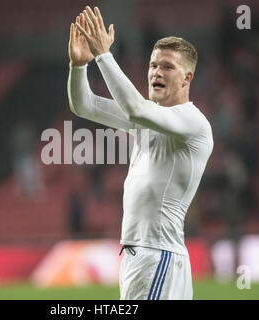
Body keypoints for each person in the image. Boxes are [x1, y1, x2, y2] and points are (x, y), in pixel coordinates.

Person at [67, 6, 213, 300]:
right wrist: (78, 66)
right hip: (145, 254)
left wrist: (103, 55)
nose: (157, 72)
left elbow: (134, 108)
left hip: (156, 254)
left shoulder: (192, 122)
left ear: (187, 79)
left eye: (167, 67)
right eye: (153, 65)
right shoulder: (148, 119)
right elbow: (85, 105)